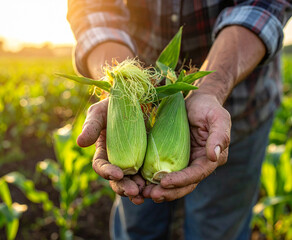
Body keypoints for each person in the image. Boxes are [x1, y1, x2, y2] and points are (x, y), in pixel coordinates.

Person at [67, 1, 292, 239]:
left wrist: (210, 89)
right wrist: (121, 84)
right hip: (142, 113)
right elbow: (93, 8)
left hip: (241, 107)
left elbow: (262, 6)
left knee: (216, 231)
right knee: (138, 229)